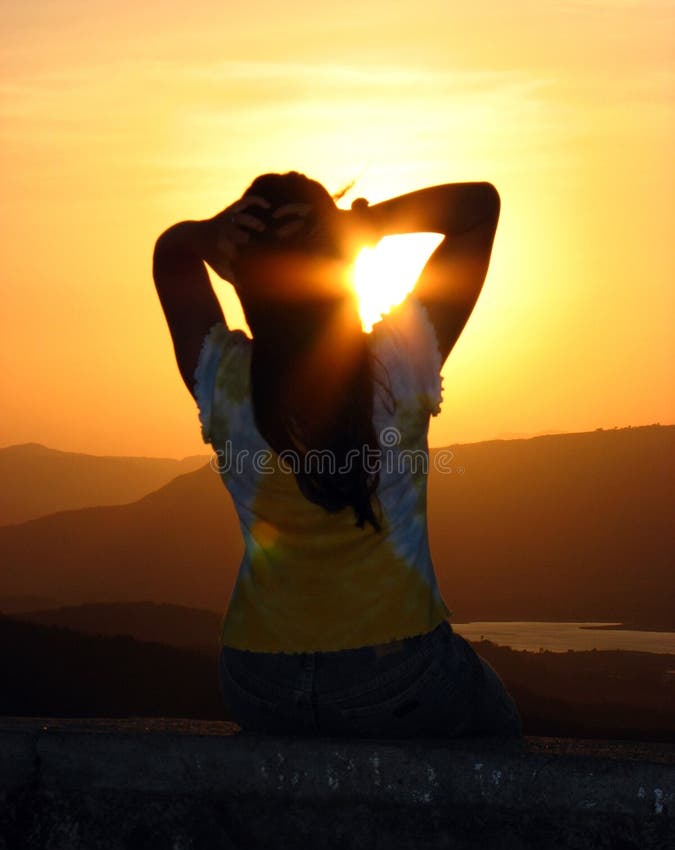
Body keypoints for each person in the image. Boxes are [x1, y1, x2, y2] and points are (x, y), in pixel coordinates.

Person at [153, 171, 522, 739]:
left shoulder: (221, 379)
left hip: (257, 681)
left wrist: (205, 236)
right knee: (498, 726)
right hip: (397, 676)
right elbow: (479, 208)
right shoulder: (401, 362)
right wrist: (364, 224)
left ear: (242, 281)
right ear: (342, 268)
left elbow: (170, 256)